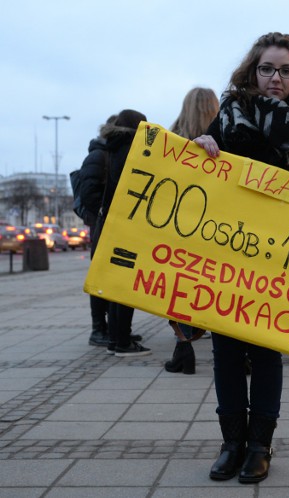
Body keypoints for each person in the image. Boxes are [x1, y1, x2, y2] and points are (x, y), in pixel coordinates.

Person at [194, 32, 289, 484]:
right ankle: (231, 442)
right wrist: (202, 146)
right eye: (268, 69)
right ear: (252, 71)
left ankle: (259, 445)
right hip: (227, 249)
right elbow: (202, 171)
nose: (276, 78)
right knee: (226, 351)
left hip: (277, 255)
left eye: (286, 70)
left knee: (267, 349)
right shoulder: (230, 114)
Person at [163, 87, 220, 375]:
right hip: (217, 229)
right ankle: (241, 354)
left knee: (180, 290)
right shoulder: (223, 140)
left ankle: (183, 350)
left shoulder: (172, 141)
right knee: (220, 289)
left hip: (180, 227)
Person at [78, 115, 144, 348]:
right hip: (105, 225)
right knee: (104, 280)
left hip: (107, 224)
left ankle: (114, 331)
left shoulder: (110, 152)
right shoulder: (100, 155)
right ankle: (100, 330)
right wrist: (108, 215)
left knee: (114, 280)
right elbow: (89, 193)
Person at [97, 109, 151, 357]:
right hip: (128, 226)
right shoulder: (132, 148)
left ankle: (115, 338)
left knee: (115, 285)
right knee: (125, 286)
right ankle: (122, 341)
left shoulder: (111, 147)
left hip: (112, 223)